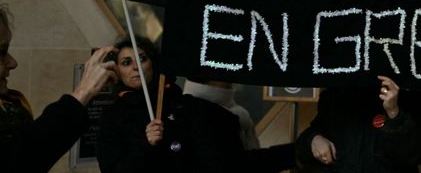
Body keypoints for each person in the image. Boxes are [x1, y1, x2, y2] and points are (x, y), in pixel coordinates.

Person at [97, 36, 294, 173]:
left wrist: (300, 151)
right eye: (126, 62)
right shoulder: (112, 117)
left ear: (154, 64)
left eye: (142, 59)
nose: (135, 67)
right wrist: (145, 143)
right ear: (118, 71)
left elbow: (234, 163)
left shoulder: (190, 108)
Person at [0, 3, 119, 173]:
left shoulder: (7, 106)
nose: (13, 63)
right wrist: (82, 93)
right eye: (1, 52)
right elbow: (17, 159)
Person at [295, 75, 421, 173]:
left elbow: (415, 155)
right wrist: (313, 140)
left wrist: (393, 112)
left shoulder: (415, 95)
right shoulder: (338, 92)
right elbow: (305, 145)